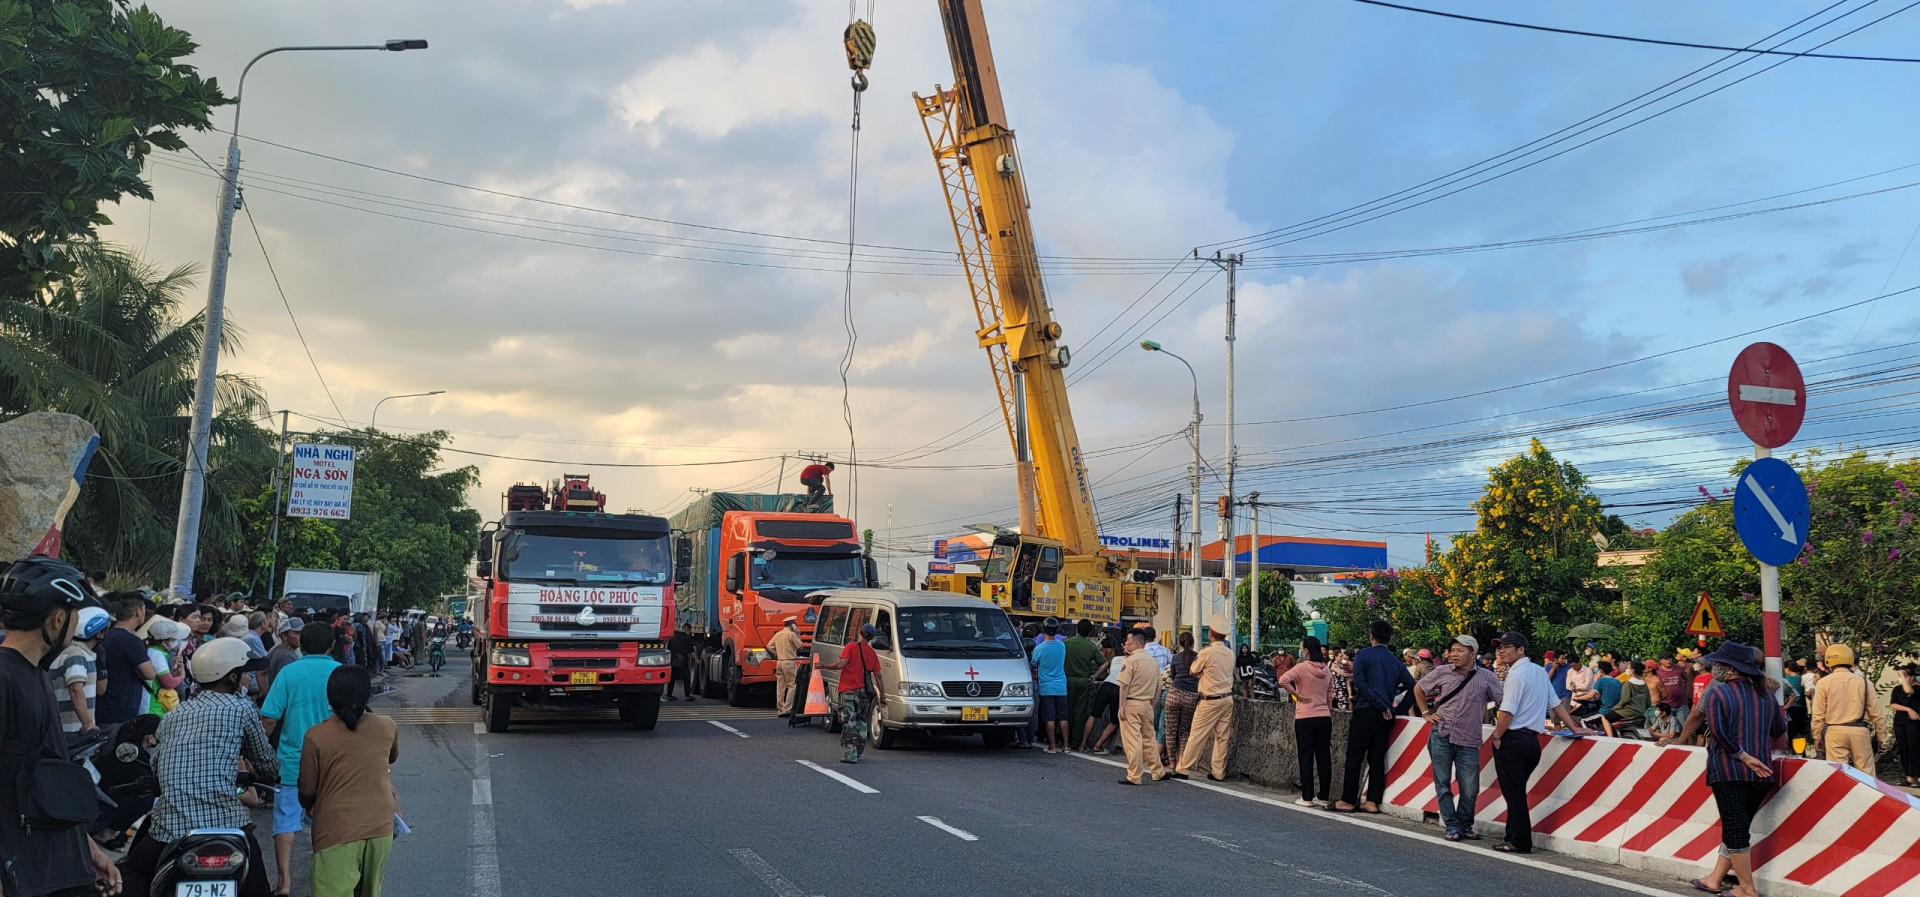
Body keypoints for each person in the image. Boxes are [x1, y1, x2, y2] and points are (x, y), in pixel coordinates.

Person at [0, 556, 122, 897]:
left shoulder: (37, 673)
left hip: (61, 867)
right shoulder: (5, 677)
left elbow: (42, 776)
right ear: (57, 618)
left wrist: (88, 849)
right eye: (74, 616)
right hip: (25, 874)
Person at [121, 637, 277, 897]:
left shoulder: (172, 716)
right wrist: (268, 773)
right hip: (228, 824)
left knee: (135, 873)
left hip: (171, 826)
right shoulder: (242, 708)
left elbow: (156, 766)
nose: (247, 679)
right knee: (258, 885)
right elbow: (265, 761)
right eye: (244, 674)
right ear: (231, 677)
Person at [1659, 641, 1785, 897]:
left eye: (1717, 664)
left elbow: (1717, 732)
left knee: (1734, 829)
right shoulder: (1766, 694)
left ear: (1729, 669)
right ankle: (1715, 879)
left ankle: (1747, 889)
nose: (1713, 667)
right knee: (1738, 825)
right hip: (1763, 773)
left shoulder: (1718, 693)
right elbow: (1778, 730)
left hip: (1729, 770)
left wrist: (1742, 756)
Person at [299, 666, 399, 897]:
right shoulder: (387, 725)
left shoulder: (316, 736)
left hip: (335, 828)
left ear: (330, 698)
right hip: (380, 826)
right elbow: (391, 757)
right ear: (367, 696)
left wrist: (309, 803)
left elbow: (306, 788)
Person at [1487, 631, 1592, 853]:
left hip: (1512, 739)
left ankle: (1518, 841)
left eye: (1506, 647)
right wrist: (1574, 727)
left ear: (1521, 650)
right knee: (1517, 791)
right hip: (1531, 742)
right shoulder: (1538, 672)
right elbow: (1555, 704)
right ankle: (1514, 837)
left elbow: (1507, 711)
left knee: (1513, 794)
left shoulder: (1516, 675)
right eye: (1499, 648)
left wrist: (1497, 735)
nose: (1501, 652)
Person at [262, 623, 344, 896]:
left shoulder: (290, 672)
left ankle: (284, 882)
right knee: (327, 822)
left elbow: (270, 718)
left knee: (286, 820)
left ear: (302, 645)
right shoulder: (341, 673)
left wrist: (258, 754)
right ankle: (323, 878)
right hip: (334, 763)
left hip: (292, 760)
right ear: (331, 645)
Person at [1416, 634, 1503, 841]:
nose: (1454, 654)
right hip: (1441, 733)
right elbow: (1419, 688)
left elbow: (1503, 701)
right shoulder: (1442, 672)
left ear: (1473, 654)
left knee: (1470, 787)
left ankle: (1465, 823)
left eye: (1460, 650)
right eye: (1452, 650)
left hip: (1469, 739)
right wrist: (1425, 713)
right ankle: (1452, 825)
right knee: (1443, 783)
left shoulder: (1486, 677)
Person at [1333, 619, 1416, 813]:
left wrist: (1380, 705)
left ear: (1371, 636)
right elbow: (1414, 687)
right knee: (1377, 757)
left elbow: (1360, 683)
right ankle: (1372, 801)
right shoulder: (1395, 660)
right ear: (1389, 638)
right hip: (1387, 715)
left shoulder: (1363, 654)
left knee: (1355, 755)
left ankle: (1347, 800)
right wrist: (1397, 709)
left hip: (1366, 710)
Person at [1171, 615, 1235, 782]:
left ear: (1211, 633)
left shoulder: (1207, 652)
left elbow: (1193, 669)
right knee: (1222, 737)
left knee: (1197, 735)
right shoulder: (1230, 653)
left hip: (1210, 699)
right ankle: (1218, 772)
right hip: (1227, 698)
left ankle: (1184, 768)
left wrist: (1202, 672)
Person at [1810, 642, 1888, 774]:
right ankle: (1867, 795)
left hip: (1834, 731)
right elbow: (1876, 713)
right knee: (1867, 773)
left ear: (1827, 661)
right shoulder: (1864, 682)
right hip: (1860, 731)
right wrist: (1882, 737)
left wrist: (1817, 736)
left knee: (1839, 773)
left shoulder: (1823, 683)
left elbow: (1818, 713)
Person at [1275, 635, 1333, 807]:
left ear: (1306, 651)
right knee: (1324, 757)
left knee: (1306, 757)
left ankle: (1307, 797)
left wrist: (1297, 695)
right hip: (1324, 717)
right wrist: (1325, 709)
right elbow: (1329, 695)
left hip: (1305, 717)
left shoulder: (1302, 668)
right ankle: (1323, 796)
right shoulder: (1327, 669)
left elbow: (1283, 679)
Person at [814, 623, 883, 764]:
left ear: (860, 633)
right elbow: (878, 676)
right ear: (871, 638)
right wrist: (883, 695)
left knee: (848, 722)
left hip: (848, 691)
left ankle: (849, 755)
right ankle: (858, 752)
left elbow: (840, 665)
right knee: (862, 721)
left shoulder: (850, 647)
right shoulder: (872, 653)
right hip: (864, 693)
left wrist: (822, 665)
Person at [1114, 629, 1170, 785]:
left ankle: (1134, 775)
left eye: (1128, 641)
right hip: (1146, 704)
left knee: (1133, 741)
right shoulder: (1152, 662)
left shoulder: (1130, 661)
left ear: (1137, 643)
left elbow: (1124, 686)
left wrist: (1121, 706)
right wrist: (1153, 702)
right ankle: (1157, 771)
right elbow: (1159, 685)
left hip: (1131, 702)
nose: (1126, 644)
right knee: (1149, 739)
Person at [95, 593, 156, 729]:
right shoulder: (130, 640)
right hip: (121, 708)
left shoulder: (108, 634)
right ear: (138, 611)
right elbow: (150, 673)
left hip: (104, 706)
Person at [50, 602, 112, 736]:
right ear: (99, 632)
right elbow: (76, 689)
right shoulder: (76, 654)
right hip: (71, 732)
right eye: (105, 629)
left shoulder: (73, 652)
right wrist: (88, 724)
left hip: (70, 730)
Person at [1163, 631, 1202, 771]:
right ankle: (1182, 762)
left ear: (1180, 643)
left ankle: (1171, 762)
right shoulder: (1198, 657)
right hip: (1191, 697)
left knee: (1170, 731)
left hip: (1174, 694)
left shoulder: (1175, 657)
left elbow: (1173, 676)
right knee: (1185, 731)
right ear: (1192, 643)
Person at [1063, 619, 1104, 747]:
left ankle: (1065, 740)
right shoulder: (1091, 647)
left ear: (1077, 629)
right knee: (1080, 712)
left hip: (1067, 680)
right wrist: (1094, 676)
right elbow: (1104, 663)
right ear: (1089, 632)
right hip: (1083, 682)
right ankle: (1076, 741)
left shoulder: (1065, 643)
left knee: (1067, 710)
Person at [1030, 618, 1069, 753]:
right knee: (1063, 717)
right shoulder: (1061, 646)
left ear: (1043, 630)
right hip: (1061, 687)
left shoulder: (1039, 648)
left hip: (1046, 687)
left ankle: (1052, 746)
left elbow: (1033, 663)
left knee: (1049, 718)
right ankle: (1066, 746)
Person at [1079, 639, 1123, 754]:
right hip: (1118, 688)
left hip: (1106, 685)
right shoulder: (1132, 660)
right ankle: (1098, 745)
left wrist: (1093, 678)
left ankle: (1083, 745)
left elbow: (1102, 668)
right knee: (1114, 721)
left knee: (1093, 715)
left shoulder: (1114, 659)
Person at [1603, 661, 1654, 737]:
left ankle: (1610, 737)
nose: (1627, 669)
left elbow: (1625, 700)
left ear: (1632, 670)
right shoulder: (1644, 684)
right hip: (1641, 712)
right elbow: (1648, 702)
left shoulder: (1628, 684)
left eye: (1628, 668)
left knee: (1604, 717)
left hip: (1628, 712)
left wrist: (1615, 708)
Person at [1889, 665, 1920, 786]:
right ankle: (1909, 776)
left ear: (1912, 677)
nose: (1901, 678)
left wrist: (1903, 675)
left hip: (1913, 724)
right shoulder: (1897, 689)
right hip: (1900, 722)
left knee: (1915, 748)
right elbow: (1893, 704)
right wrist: (1908, 709)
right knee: (1904, 749)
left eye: (1905, 676)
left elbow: (1909, 691)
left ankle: (1918, 776)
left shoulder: (1917, 689)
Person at [768, 616, 804, 717]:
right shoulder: (791, 634)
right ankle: (787, 709)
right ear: (792, 625)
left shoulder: (778, 634)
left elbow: (769, 646)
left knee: (780, 686)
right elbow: (800, 646)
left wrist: (776, 653)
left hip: (779, 662)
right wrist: (798, 635)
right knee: (792, 685)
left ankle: (780, 708)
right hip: (789, 662)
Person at [262, 617, 305, 699]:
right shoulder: (287, 656)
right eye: (297, 633)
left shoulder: (276, 648)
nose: (301, 636)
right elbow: (286, 686)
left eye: (302, 633)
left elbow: (260, 672)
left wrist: (267, 695)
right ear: (284, 636)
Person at [665, 623, 695, 702]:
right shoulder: (686, 638)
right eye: (689, 631)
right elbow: (691, 651)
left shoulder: (673, 637)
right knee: (686, 678)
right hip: (683, 660)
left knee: (672, 679)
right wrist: (697, 660)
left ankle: (669, 695)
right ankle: (687, 695)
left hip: (674, 660)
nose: (689, 633)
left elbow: (668, 649)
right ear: (687, 629)